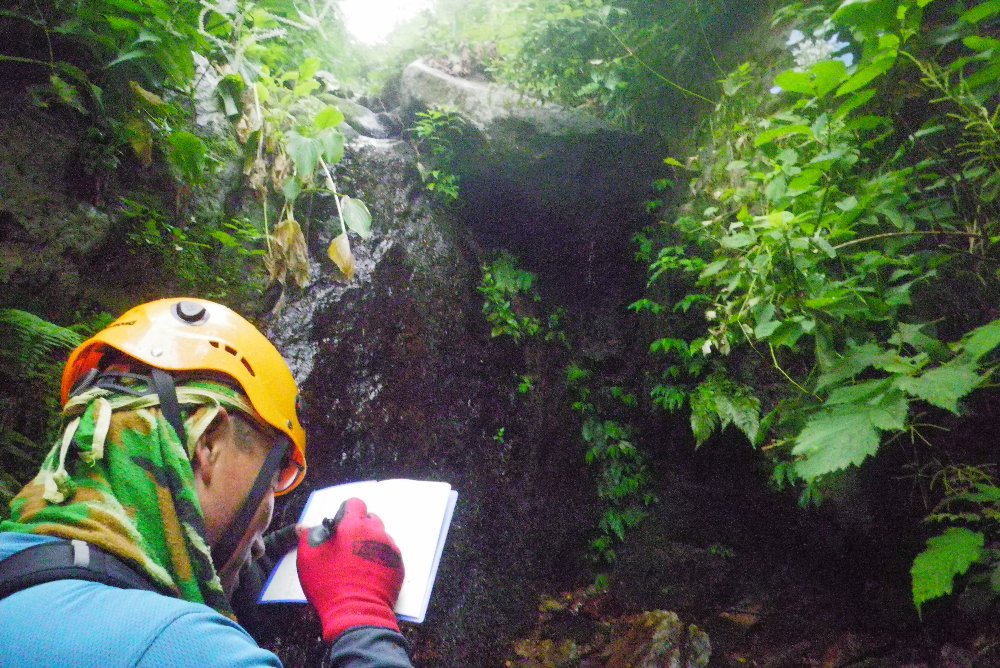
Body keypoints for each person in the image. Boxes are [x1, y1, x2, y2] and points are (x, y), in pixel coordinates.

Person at [0, 297, 414, 667]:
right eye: (271, 481)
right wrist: (362, 616)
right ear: (207, 443)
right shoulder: (185, 647)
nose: (257, 541)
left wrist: (236, 574)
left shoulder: (16, 568)